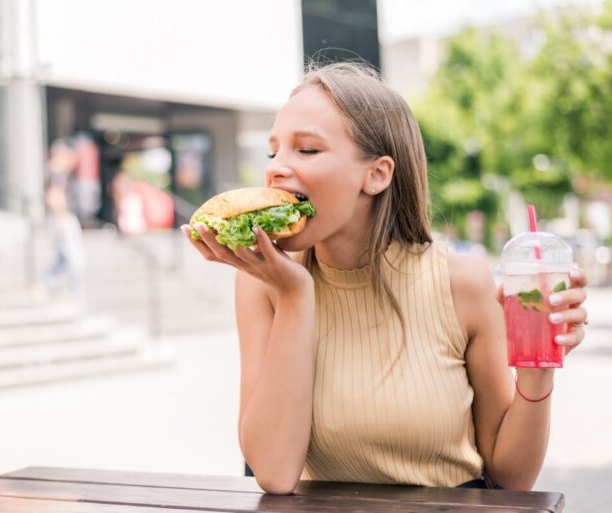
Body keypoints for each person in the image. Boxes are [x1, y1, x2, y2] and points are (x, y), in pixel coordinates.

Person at [180, 62, 589, 494]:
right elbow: (275, 474)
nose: (277, 168)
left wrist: (539, 364)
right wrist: (296, 296)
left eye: (307, 150)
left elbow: (512, 477)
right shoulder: (263, 283)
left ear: (376, 174)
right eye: (273, 151)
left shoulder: (462, 284)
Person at [43, 140, 86, 296]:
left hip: (60, 217)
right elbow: (54, 196)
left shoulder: (55, 172)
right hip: (62, 217)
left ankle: (48, 281)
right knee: (74, 256)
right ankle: (73, 290)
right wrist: (60, 217)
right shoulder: (57, 173)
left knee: (63, 258)